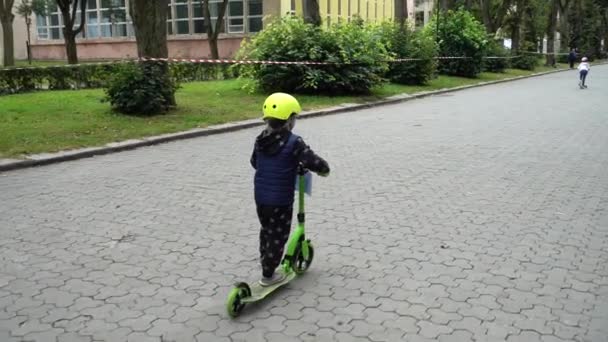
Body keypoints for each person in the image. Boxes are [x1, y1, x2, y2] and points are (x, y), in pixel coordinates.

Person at [250, 93, 330, 286]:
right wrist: (324, 170)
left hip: (261, 197)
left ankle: (265, 262)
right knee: (278, 235)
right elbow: (312, 161)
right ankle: (268, 275)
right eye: (294, 117)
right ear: (289, 120)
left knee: (267, 231)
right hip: (281, 200)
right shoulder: (294, 142)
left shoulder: (261, 139)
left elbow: (254, 162)